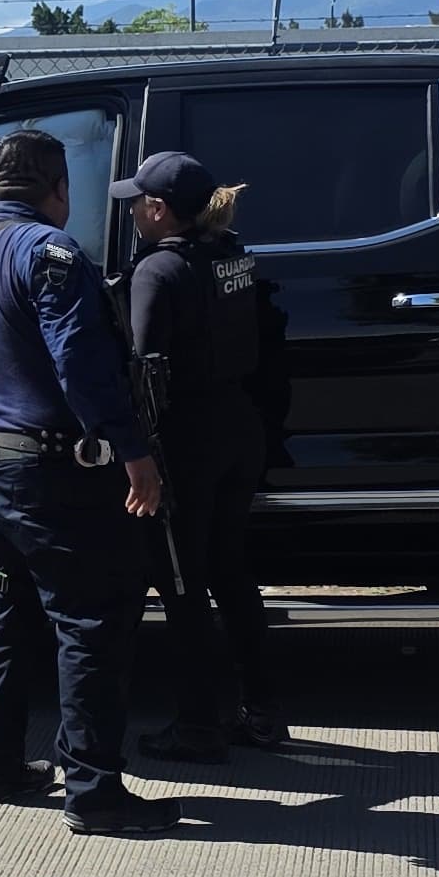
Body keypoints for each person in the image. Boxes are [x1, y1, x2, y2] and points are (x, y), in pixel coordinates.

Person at [0, 126, 180, 835]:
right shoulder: (54, 253)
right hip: (54, 468)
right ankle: (95, 793)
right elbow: (81, 364)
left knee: (7, 611)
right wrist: (134, 453)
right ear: (57, 188)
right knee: (90, 622)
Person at [118, 150, 290, 760]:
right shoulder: (231, 254)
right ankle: (263, 713)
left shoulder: (157, 270)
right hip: (239, 428)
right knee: (230, 571)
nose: (133, 209)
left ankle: (197, 726)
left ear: (158, 210)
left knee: (182, 582)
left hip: (186, 439)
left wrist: (134, 450)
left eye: (138, 200)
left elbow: (144, 367)